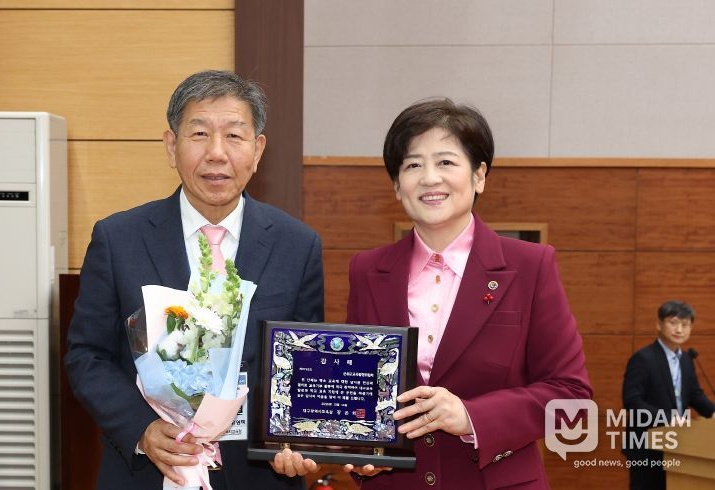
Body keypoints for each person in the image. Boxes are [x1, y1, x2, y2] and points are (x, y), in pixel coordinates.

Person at [274, 98, 592, 488]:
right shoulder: (368, 270)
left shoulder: (530, 266)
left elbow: (571, 400)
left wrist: (471, 416)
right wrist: (359, 453)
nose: (429, 178)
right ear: (396, 185)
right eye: (412, 165)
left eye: (446, 162)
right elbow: (361, 389)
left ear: (479, 176)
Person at [65, 70, 324, 490]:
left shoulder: (298, 246)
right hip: (148, 471)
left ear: (258, 150)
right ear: (172, 146)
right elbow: (86, 354)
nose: (216, 153)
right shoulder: (118, 238)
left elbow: (303, 367)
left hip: (257, 476)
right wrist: (142, 430)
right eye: (199, 134)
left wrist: (298, 442)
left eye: (235, 137)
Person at [622, 300, 715, 490]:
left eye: (685, 324)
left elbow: (695, 395)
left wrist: (713, 413)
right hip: (647, 444)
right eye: (673, 322)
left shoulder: (687, 359)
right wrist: (668, 418)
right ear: (659, 324)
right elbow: (632, 401)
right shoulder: (643, 358)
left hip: (680, 445)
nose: (679, 329)